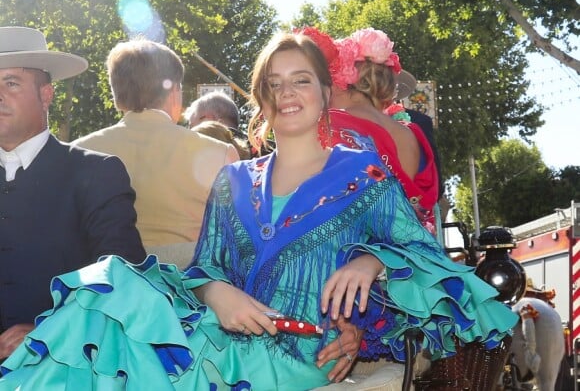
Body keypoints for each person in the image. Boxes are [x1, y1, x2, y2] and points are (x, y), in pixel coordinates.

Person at [0, 32, 516, 390]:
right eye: (274, 84)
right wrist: (217, 291)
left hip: (301, 352)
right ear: (261, 98)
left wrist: (373, 261)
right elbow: (203, 270)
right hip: (216, 338)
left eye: (301, 80)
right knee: (107, 287)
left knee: (113, 333)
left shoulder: (365, 177)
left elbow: (440, 272)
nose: (287, 93)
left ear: (324, 93)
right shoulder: (233, 181)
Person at [0, 26, 145, 360]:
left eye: (11, 83)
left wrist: (53, 331)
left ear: (46, 94)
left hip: (67, 366)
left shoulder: (96, 172)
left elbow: (123, 273)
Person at [73, 39, 239, 256]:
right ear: (174, 90)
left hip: (108, 282)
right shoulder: (221, 153)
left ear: (116, 94)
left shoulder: (78, 153)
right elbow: (236, 238)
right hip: (193, 283)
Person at [300, 27, 439, 230]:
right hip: (406, 254)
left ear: (337, 79)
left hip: (350, 254)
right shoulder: (412, 134)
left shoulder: (332, 125)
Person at [185, 90, 252, 158]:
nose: (190, 132)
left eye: (191, 127)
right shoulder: (258, 151)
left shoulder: (201, 154)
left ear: (208, 120)